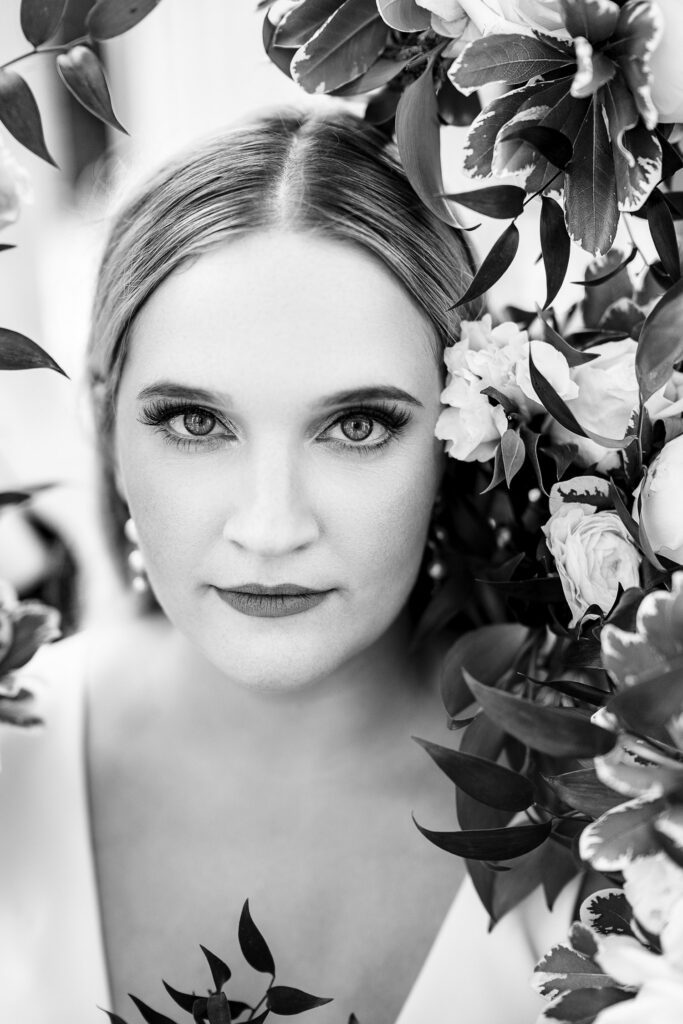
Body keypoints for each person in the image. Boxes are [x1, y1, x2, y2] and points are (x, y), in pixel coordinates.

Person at [0, 108, 573, 1024]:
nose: (270, 528)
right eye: (196, 421)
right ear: (105, 425)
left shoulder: (614, 805)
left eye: (357, 426)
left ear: (464, 435)